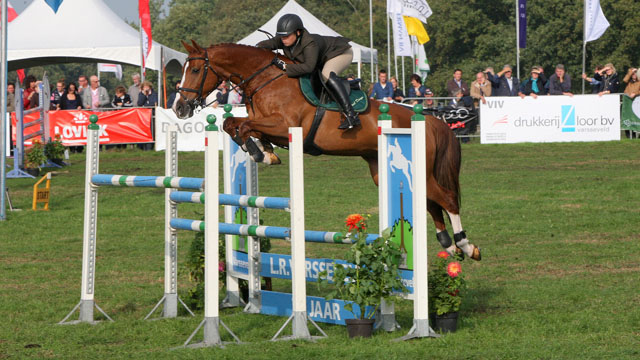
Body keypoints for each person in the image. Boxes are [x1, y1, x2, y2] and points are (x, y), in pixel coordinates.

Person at [257, 13, 359, 129]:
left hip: (340, 53)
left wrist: (285, 67)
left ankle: (351, 115)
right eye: (281, 36)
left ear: (298, 32)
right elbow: (271, 43)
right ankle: (345, 85)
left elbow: (308, 67)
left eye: (286, 36)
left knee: (327, 74)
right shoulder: (286, 38)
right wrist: (257, 47)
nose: (283, 39)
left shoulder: (310, 43)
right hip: (322, 57)